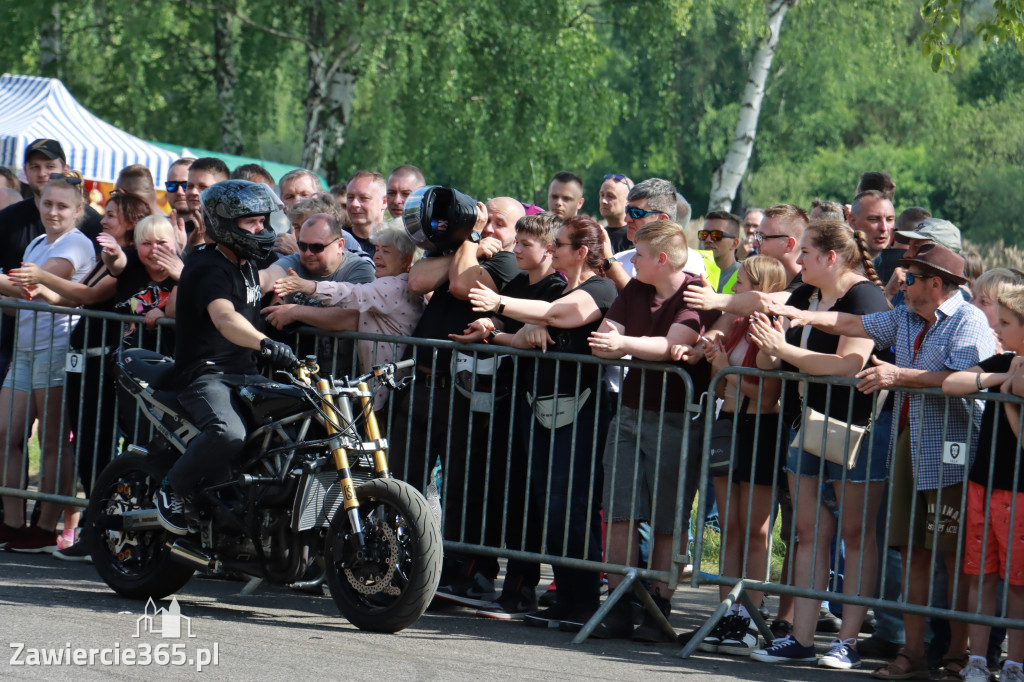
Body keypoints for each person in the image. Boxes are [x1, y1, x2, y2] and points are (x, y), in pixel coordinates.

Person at [768, 242, 994, 680]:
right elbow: (853, 321)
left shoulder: (969, 320)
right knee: (911, 552)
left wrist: (899, 375)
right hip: (913, 447)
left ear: (935, 283)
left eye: (910, 277)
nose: (901, 283)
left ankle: (958, 659)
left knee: (957, 559)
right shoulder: (907, 315)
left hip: (957, 452)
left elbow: (965, 379)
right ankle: (913, 655)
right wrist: (804, 316)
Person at [746, 219, 891, 669]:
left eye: (806, 251)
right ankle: (801, 637)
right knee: (808, 532)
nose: (798, 258)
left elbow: (847, 364)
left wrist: (783, 350)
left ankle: (847, 642)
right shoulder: (805, 292)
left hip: (858, 428)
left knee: (855, 534)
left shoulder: (864, 296)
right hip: (806, 421)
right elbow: (771, 358)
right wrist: (768, 342)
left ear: (831, 257)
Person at [467, 215, 617, 630]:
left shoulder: (598, 288)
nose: (553, 250)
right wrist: (494, 332)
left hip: (583, 407)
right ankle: (567, 597)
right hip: (544, 406)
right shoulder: (565, 286)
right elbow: (537, 324)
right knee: (549, 505)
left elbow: (559, 314)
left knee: (572, 506)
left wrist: (499, 305)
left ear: (581, 252)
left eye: (561, 244)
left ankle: (584, 599)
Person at [585, 220, 718, 641]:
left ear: (661, 259)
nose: (631, 261)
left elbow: (673, 344)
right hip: (629, 412)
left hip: (678, 419)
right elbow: (610, 333)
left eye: (638, 255)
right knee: (620, 510)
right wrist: (620, 342)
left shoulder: (696, 290)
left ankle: (659, 602)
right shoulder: (635, 289)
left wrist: (624, 345)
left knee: (667, 518)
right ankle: (617, 600)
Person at [153, 180, 298, 535]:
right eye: (251, 222)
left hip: (244, 374)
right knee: (229, 433)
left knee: (296, 415)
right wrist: (265, 343)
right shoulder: (206, 266)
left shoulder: (246, 261)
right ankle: (172, 489)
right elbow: (225, 317)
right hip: (206, 375)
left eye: (263, 220)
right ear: (224, 223)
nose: (261, 228)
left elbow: (265, 280)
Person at [446, 211, 567, 619]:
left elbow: (539, 330)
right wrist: (489, 322)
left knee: (524, 499)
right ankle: (478, 575)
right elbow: (508, 320)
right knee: (492, 489)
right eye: (516, 242)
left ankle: (520, 588)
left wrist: (498, 330)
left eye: (526, 245)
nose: (517, 250)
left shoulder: (557, 288)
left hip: (539, 404)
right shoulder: (519, 281)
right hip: (505, 400)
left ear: (550, 250)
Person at [696, 255, 788, 656]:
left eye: (741, 283)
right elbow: (722, 390)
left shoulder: (771, 330)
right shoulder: (734, 326)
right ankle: (725, 612)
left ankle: (752, 614)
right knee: (730, 526)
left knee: (756, 529)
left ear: (762, 289)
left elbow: (769, 396)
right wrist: (719, 370)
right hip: (728, 425)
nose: (732, 289)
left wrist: (725, 371)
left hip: (760, 431)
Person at [0, 172, 97, 552]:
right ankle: (11, 522)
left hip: (57, 349)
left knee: (53, 440)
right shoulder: (39, 242)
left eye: (62, 206)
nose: (53, 211)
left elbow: (34, 286)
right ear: (38, 203)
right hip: (25, 349)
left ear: (77, 211)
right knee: (7, 433)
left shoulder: (77, 243)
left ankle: (44, 527)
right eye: (47, 203)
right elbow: (25, 297)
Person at [942, 285, 1024, 682]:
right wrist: (999, 377)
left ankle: (1014, 664)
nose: (999, 327)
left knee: (1018, 581)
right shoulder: (1006, 360)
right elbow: (952, 383)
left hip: (1017, 488)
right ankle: (977, 661)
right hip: (982, 483)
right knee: (981, 575)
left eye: (1007, 323)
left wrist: (1008, 397)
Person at [271, 219, 424, 410]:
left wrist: (308, 287)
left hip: (388, 389)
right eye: (376, 249)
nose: (377, 256)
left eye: (386, 251)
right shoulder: (400, 283)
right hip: (387, 387)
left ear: (406, 259)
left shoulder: (394, 285)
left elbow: (353, 293)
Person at [0, 140, 102, 382]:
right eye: (34, 166)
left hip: (59, 344)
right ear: (25, 171)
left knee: (52, 419)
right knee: (8, 421)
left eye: (49, 166)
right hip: (20, 340)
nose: (42, 173)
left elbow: (30, 288)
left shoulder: (88, 228)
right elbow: (17, 298)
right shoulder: (15, 224)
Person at [181, 157, 230, 250]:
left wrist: (200, 246)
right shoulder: (180, 231)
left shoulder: (233, 236)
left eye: (203, 187)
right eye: (190, 186)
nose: (193, 192)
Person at [345, 171, 388, 256]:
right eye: (350, 197)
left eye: (364, 198)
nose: (354, 204)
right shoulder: (336, 240)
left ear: (384, 202)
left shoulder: (395, 244)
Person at [699, 211, 742, 293]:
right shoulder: (695, 271)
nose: (708, 240)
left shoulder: (744, 277)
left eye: (716, 235)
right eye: (704, 234)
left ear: (734, 243)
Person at [847, 190, 895, 259]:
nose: (884, 228)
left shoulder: (902, 264)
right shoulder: (835, 265)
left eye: (889, 220)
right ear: (853, 221)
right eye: (874, 219)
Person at [598, 173, 633, 253]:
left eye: (610, 196)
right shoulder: (597, 235)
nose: (603, 201)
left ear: (628, 201)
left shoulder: (636, 238)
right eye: (602, 195)